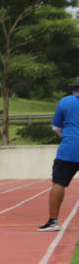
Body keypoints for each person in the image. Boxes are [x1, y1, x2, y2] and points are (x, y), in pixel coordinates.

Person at [42, 80, 79, 231]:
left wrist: (68, 136)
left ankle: (53, 221)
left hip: (69, 148)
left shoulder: (65, 102)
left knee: (59, 183)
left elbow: (56, 127)